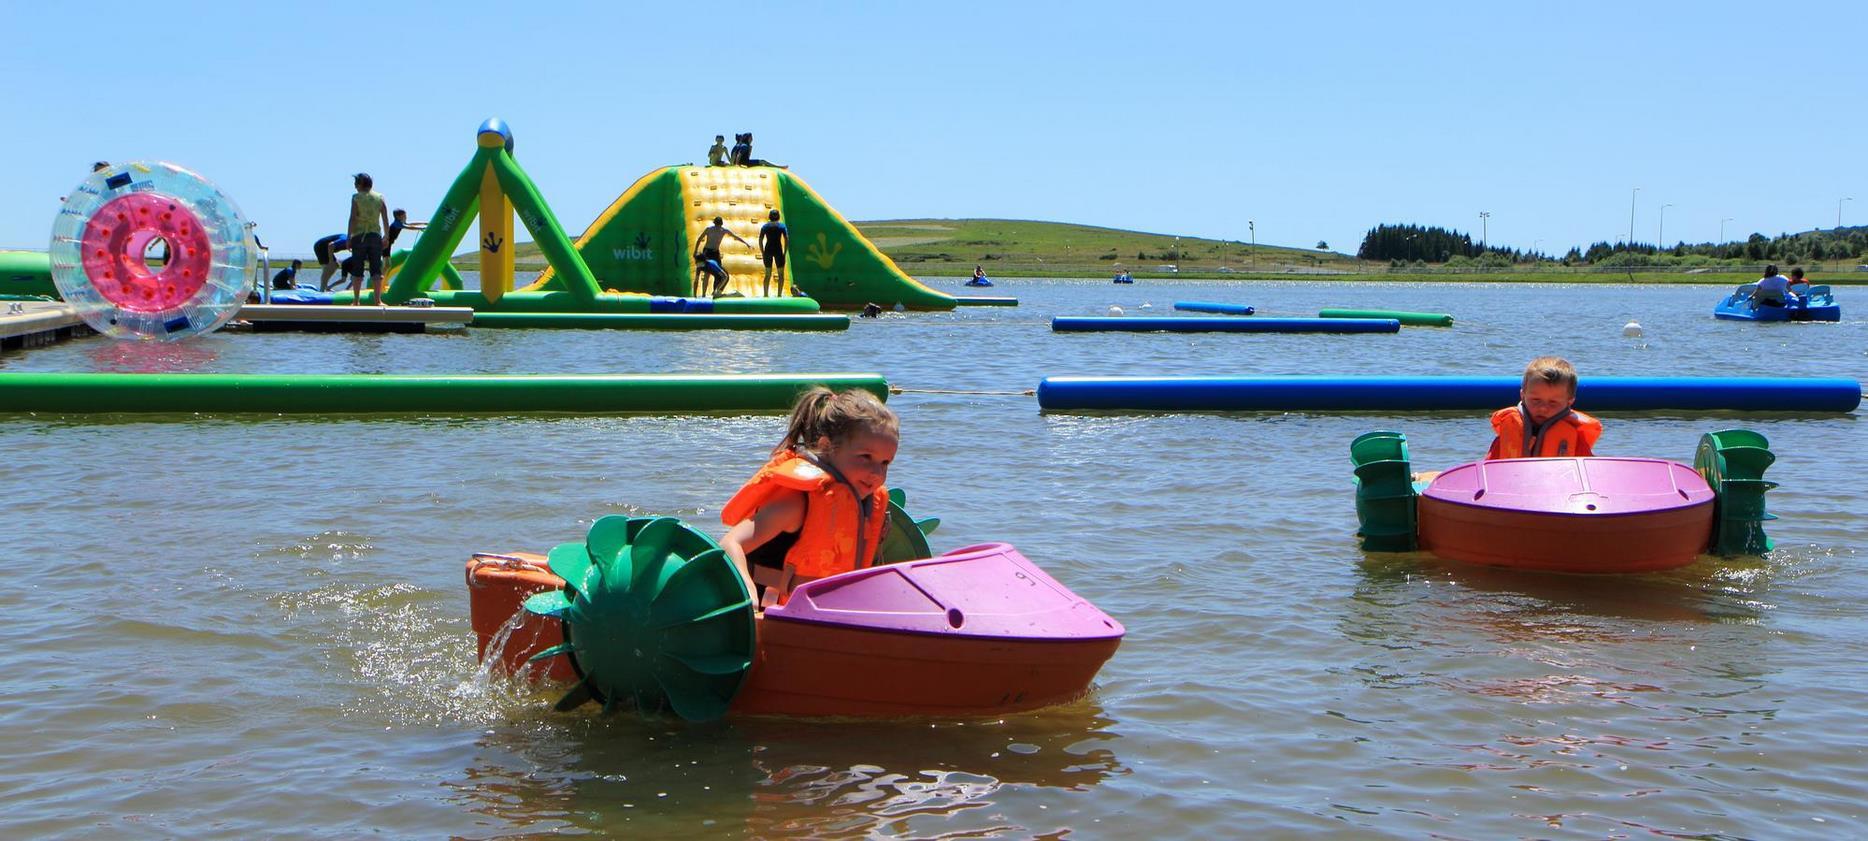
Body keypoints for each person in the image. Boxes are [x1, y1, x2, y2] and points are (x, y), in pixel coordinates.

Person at [719, 387, 899, 607]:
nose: (876, 473)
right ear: (826, 446)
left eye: (885, 463)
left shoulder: (868, 505)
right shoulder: (797, 502)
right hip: (773, 614)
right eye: (865, 457)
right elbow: (730, 543)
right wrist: (746, 589)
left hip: (826, 614)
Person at [1486, 356, 1600, 460]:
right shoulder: (1507, 435)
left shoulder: (1576, 441)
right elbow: (1489, 471)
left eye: (1553, 403)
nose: (1543, 408)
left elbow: (1589, 474)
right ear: (1523, 395)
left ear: (1569, 402)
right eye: (1536, 400)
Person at [344, 173, 391, 305]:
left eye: (356, 184)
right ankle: (378, 300)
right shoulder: (380, 197)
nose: (355, 187)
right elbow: (385, 218)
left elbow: (353, 218)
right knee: (376, 268)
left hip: (359, 236)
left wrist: (349, 236)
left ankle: (356, 300)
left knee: (357, 268)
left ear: (360, 184)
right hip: (375, 235)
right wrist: (386, 236)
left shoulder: (356, 198)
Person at [692, 216, 753, 296]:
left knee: (716, 272)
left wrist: (746, 243)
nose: (718, 227)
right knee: (707, 273)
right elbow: (699, 239)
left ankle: (715, 291)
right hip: (708, 251)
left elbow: (735, 237)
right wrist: (695, 250)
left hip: (715, 252)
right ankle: (704, 294)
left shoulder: (722, 230)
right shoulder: (710, 229)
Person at [759, 209, 789, 296]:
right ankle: (779, 294)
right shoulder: (782, 226)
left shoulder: (765, 226)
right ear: (778, 216)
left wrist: (762, 251)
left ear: (769, 216)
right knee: (780, 274)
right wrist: (785, 252)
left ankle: (765, 294)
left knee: (767, 274)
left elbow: (760, 239)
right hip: (778, 250)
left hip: (768, 250)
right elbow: (786, 239)